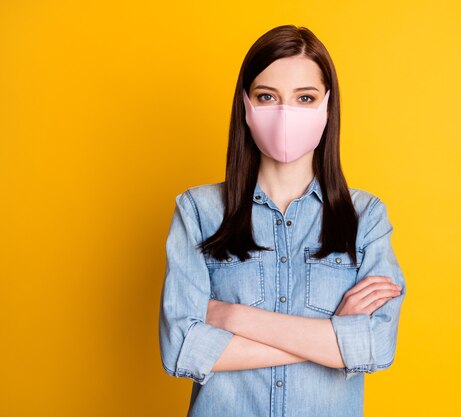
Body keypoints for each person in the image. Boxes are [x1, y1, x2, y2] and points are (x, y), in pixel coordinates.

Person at [158, 24, 407, 417]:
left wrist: (233, 316)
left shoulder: (366, 217)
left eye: (304, 97)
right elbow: (182, 350)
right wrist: (330, 339)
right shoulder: (198, 211)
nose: (285, 113)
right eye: (267, 96)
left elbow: (375, 347)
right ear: (246, 105)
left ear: (327, 107)